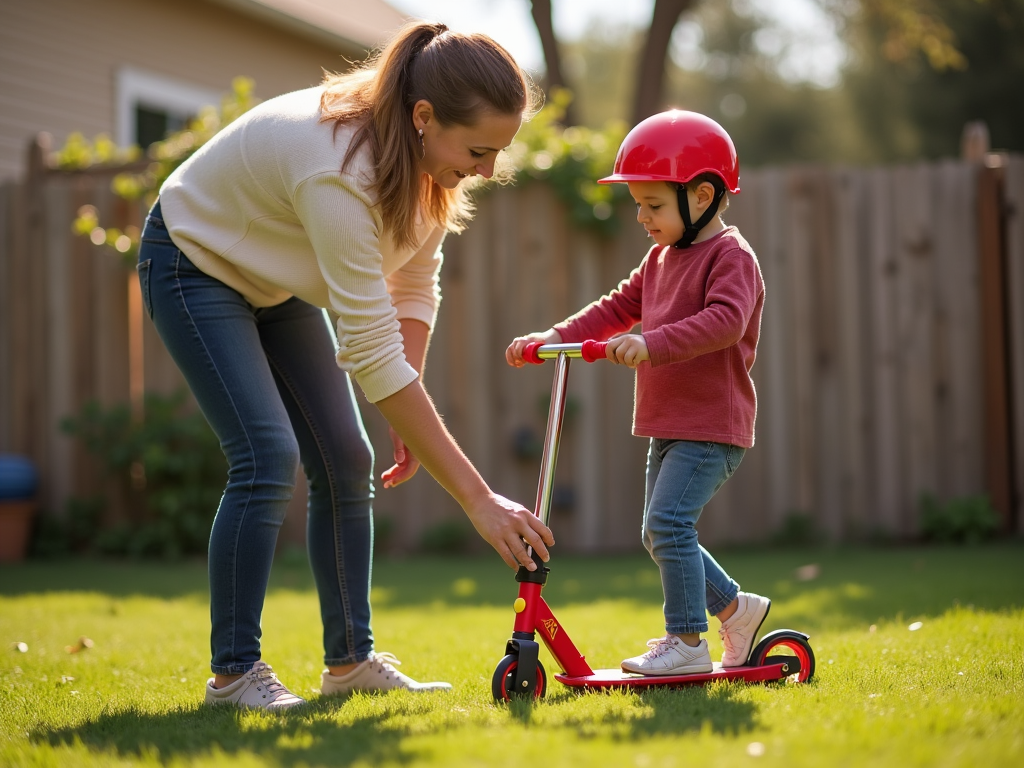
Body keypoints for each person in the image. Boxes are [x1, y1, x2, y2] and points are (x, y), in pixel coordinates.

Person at [137, 21, 554, 710]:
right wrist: (480, 501)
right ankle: (234, 675)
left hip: (276, 283)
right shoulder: (340, 167)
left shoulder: (424, 166)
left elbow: (415, 287)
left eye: (498, 154)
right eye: (479, 150)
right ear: (424, 117)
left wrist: (407, 410)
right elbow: (367, 346)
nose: (487, 170)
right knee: (265, 456)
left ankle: (350, 661)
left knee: (344, 458)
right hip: (196, 262)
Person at [506, 110, 770, 676]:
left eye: (653, 205)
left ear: (701, 197)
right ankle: (735, 608)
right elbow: (613, 308)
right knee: (658, 530)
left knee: (668, 525)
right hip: (667, 422)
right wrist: (553, 338)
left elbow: (725, 321)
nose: (641, 217)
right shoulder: (658, 260)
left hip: (712, 426)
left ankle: (687, 642)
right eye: (638, 204)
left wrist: (652, 343)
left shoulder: (732, 258)